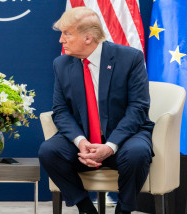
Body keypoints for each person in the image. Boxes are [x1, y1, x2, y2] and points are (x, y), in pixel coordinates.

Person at [38, 7, 154, 214]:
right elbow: (61, 110)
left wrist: (110, 146)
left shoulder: (130, 58)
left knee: (137, 153)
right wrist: (81, 142)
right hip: (85, 140)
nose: (61, 40)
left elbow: (138, 108)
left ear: (88, 38)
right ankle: (85, 208)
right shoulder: (62, 64)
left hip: (124, 137)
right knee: (49, 151)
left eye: (67, 34)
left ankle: (124, 210)